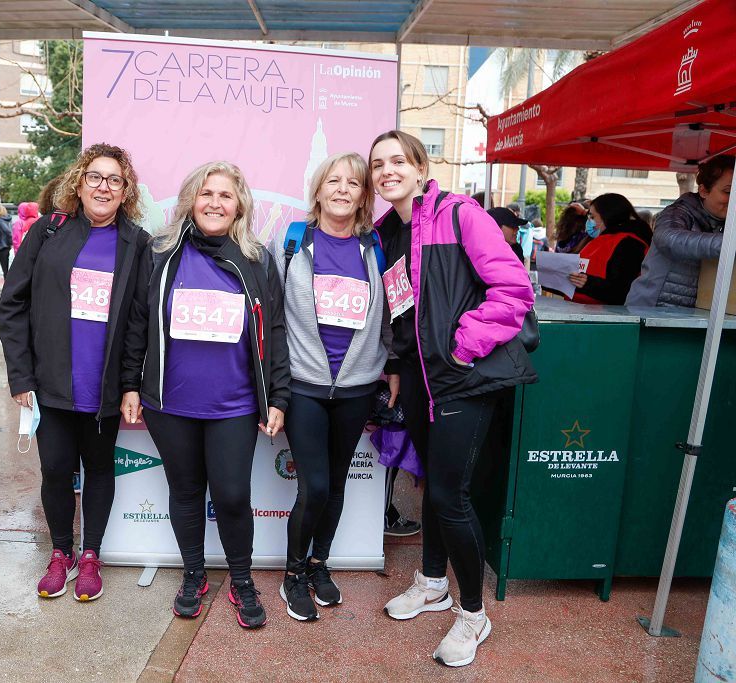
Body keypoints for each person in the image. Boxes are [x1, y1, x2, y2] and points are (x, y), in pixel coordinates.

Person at [370, 131, 536, 667]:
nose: (387, 171)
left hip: (462, 378)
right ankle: (432, 581)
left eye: (398, 160)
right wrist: (397, 367)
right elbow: (401, 311)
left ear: (420, 167)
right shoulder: (386, 232)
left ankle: (472, 613)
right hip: (419, 381)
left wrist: (465, 347)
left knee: (450, 494)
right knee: (431, 489)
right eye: (378, 164)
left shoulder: (459, 214)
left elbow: (513, 289)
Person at [121, 161, 290, 630]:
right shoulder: (160, 254)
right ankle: (193, 575)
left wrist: (277, 396)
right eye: (206, 193)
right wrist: (130, 385)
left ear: (239, 206)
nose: (215, 202)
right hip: (169, 404)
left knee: (233, 495)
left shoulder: (256, 260)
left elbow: (274, 330)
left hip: (234, 405)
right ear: (190, 200)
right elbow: (137, 323)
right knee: (186, 491)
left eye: (226, 195)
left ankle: (240, 580)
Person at [0, 143, 150, 602]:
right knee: (57, 470)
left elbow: (139, 322)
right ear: (79, 183)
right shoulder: (48, 231)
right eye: (95, 177)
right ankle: (60, 553)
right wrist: (21, 376)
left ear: (126, 192)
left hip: (102, 387)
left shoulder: (137, 244)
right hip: (51, 383)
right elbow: (12, 306)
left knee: (100, 469)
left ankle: (91, 556)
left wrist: (130, 384)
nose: (103, 187)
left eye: (114, 180)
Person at [266, 152, 393, 622]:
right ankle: (292, 574)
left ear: (364, 195)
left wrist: (392, 365)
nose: (342, 189)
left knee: (336, 484)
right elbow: (273, 320)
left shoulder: (375, 247)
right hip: (304, 385)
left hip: (358, 386)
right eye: (333, 181)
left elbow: (390, 316)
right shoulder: (294, 242)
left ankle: (320, 565)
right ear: (318, 190)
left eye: (353, 183)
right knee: (314, 485)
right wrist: (274, 387)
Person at [626, 155, 733, 308]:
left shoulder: (726, 222)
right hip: (651, 311)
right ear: (703, 191)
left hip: (693, 316)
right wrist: (729, 244)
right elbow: (668, 239)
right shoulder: (678, 212)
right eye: (728, 192)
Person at [567, 193, 651, 305]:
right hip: (580, 311)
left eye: (592, 217)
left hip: (607, 316)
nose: (588, 222)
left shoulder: (630, 244)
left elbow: (620, 290)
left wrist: (586, 283)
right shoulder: (599, 240)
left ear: (608, 216)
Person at [0, 204, 13, 276]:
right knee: (8, 267)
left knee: (5, 269)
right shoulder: (9, 219)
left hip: (2, 246)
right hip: (7, 245)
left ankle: (6, 285)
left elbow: (8, 231)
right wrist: (11, 243)